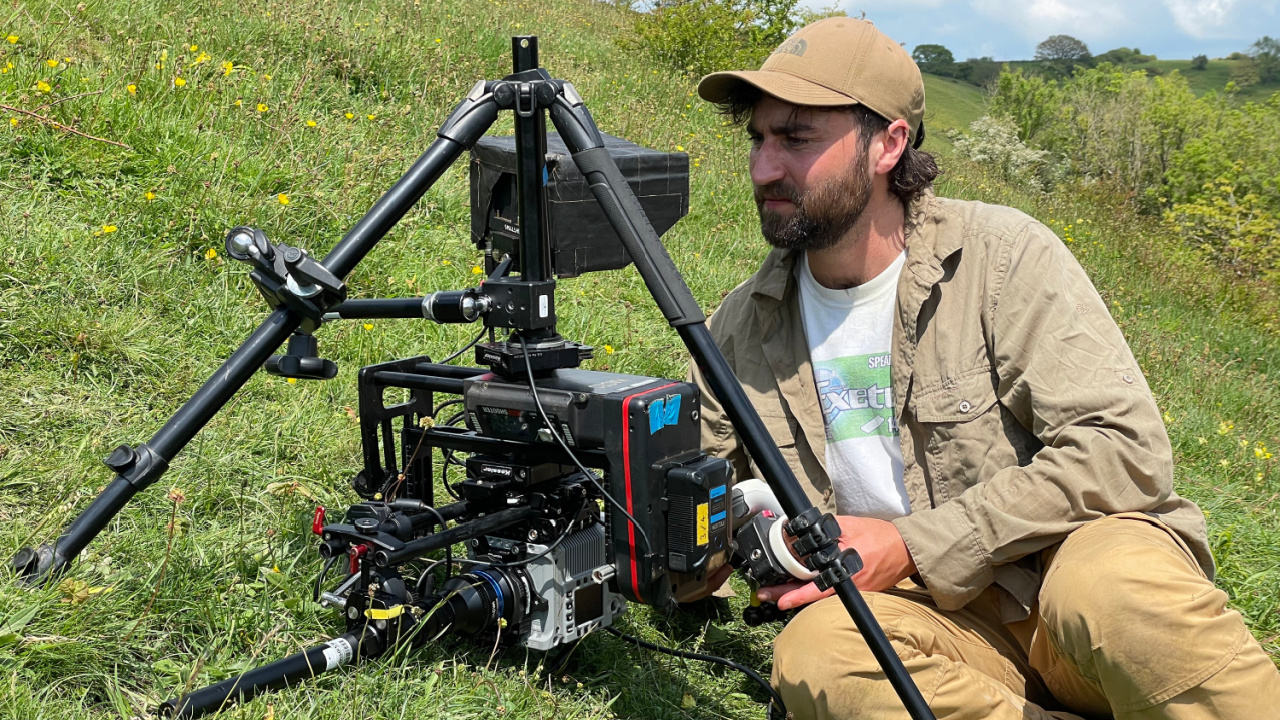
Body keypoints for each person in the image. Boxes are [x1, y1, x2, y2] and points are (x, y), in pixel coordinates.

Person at [689, 17, 1280, 720]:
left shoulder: (1003, 258)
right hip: (932, 631)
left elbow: (1124, 452)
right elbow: (692, 518)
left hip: (1061, 585)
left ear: (888, 144)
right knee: (817, 652)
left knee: (1116, 590)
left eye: (796, 139)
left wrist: (912, 544)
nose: (763, 168)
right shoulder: (738, 329)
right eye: (758, 138)